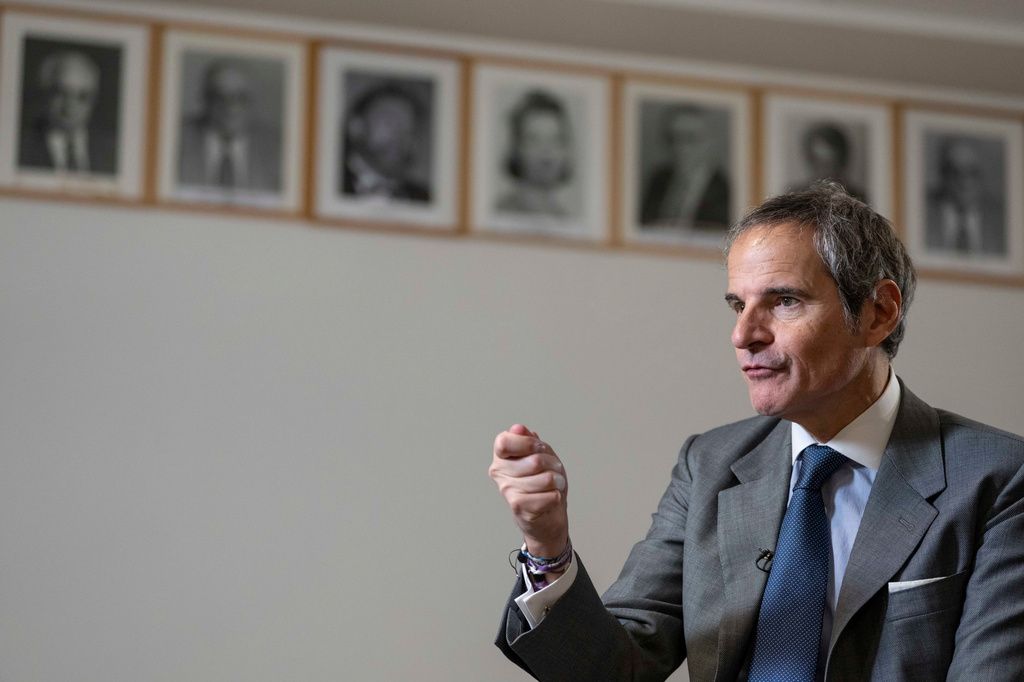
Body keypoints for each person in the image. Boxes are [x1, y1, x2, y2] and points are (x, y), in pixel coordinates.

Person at [489, 182, 1024, 681]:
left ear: (878, 313)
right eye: (738, 305)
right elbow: (616, 667)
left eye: (784, 300)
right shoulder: (709, 464)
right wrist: (548, 546)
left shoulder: (999, 478)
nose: (742, 335)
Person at [177, 58, 281, 192]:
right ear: (205, 99)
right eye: (220, 97)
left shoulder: (276, 148)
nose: (231, 107)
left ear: (253, 102)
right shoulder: (178, 138)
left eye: (240, 98)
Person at [18, 49, 116, 174]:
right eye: (62, 93)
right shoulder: (20, 148)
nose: (71, 105)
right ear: (45, 93)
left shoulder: (112, 150)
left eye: (83, 96)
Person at [640, 104, 730, 230]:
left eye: (689, 138)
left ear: (709, 142)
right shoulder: (658, 180)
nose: (679, 148)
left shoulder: (725, 190)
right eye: (672, 138)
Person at [341, 81, 430, 202]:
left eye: (409, 129)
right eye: (390, 122)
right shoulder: (324, 184)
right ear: (355, 126)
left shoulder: (425, 198)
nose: (400, 136)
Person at [496, 90, 574, 217]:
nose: (546, 150)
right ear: (517, 148)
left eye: (555, 139)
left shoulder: (565, 219)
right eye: (534, 140)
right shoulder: (501, 214)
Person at [925, 136, 1006, 256]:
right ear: (943, 175)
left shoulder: (1001, 219)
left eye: (972, 172)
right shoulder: (924, 211)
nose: (964, 181)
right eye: (955, 172)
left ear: (982, 176)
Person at [798, 123, 866, 203]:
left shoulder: (859, 198)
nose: (824, 172)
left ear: (842, 161)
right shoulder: (797, 196)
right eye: (819, 163)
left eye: (829, 164)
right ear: (810, 160)